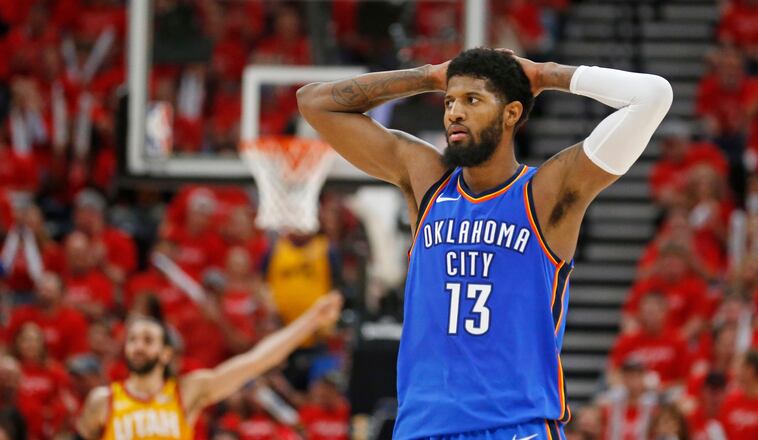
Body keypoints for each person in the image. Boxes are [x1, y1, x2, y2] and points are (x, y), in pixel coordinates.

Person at [297, 47, 672, 438]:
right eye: (449, 102)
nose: (454, 112)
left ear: (511, 113)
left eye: (472, 100)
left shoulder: (545, 193)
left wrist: (545, 74)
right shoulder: (426, 179)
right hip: (423, 428)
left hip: (514, 427)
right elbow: (314, 103)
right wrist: (428, 76)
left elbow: (653, 95)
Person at [75, 292, 342, 439]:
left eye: (148, 339)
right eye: (132, 339)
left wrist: (311, 320)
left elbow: (257, 361)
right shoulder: (102, 401)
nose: (138, 346)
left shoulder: (187, 392)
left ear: (166, 353)